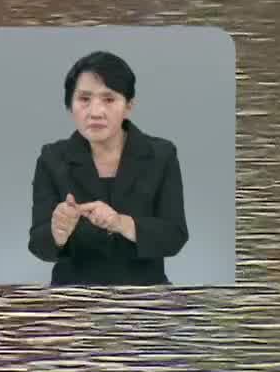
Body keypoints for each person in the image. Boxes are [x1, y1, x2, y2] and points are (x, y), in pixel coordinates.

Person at [27, 50, 188, 285]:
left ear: (129, 106)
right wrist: (58, 233)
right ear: (70, 105)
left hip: (145, 297)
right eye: (84, 99)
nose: (95, 112)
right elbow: (38, 245)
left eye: (109, 99)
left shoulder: (161, 155)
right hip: (74, 300)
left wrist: (120, 223)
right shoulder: (52, 158)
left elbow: (174, 236)